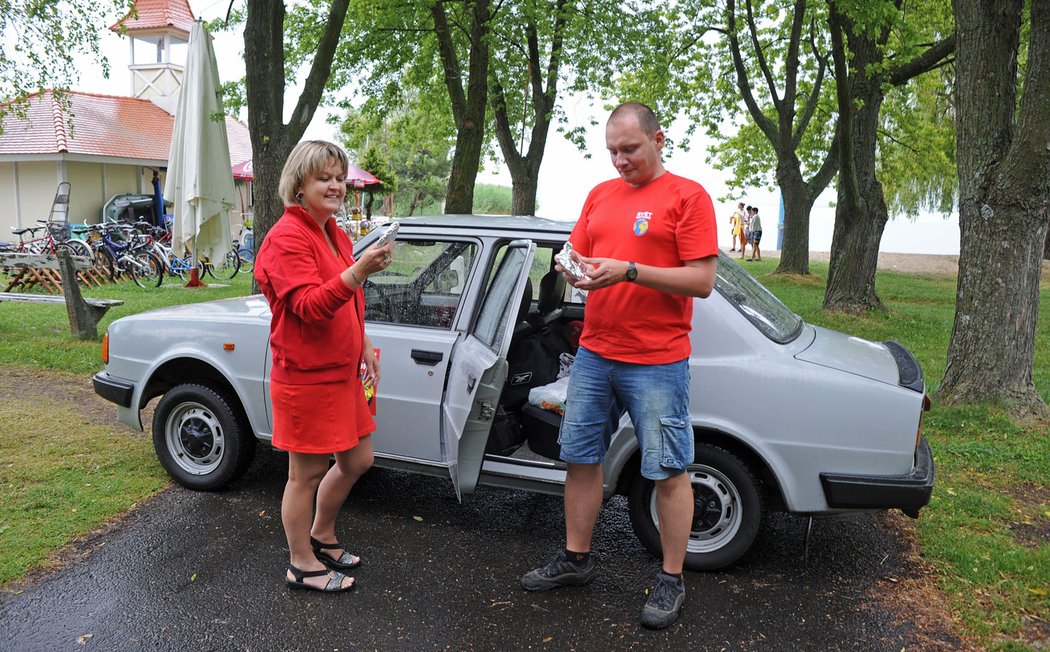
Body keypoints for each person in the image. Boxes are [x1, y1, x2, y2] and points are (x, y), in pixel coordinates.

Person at [520, 102, 718, 629]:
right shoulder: (600, 195)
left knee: (668, 471)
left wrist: (630, 270)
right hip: (595, 353)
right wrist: (573, 269)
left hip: (657, 360)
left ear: (658, 139)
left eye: (629, 149)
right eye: (611, 151)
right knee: (580, 458)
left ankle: (671, 580)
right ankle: (575, 559)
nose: (619, 161)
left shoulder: (688, 196)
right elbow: (576, 256)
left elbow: (701, 280)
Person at [254, 140, 395, 593]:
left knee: (358, 459)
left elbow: (348, 301)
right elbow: (310, 307)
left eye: (339, 178)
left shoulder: (334, 231)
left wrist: (365, 346)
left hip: (342, 372)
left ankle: (322, 533)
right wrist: (359, 271)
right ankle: (300, 564)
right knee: (305, 474)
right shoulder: (286, 237)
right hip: (306, 378)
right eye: (324, 178)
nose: (335, 186)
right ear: (299, 185)